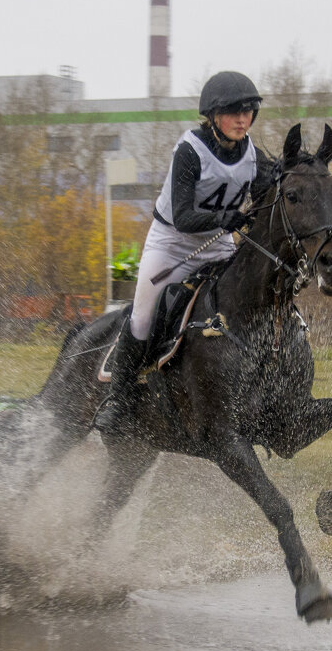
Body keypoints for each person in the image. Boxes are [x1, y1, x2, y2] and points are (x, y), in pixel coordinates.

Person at [95, 70, 272, 433]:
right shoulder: (190, 150)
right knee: (144, 316)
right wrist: (231, 219)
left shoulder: (251, 154)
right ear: (213, 116)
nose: (242, 120)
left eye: (248, 111)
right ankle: (119, 399)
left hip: (219, 242)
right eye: (234, 112)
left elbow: (274, 193)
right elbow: (185, 216)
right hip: (172, 243)